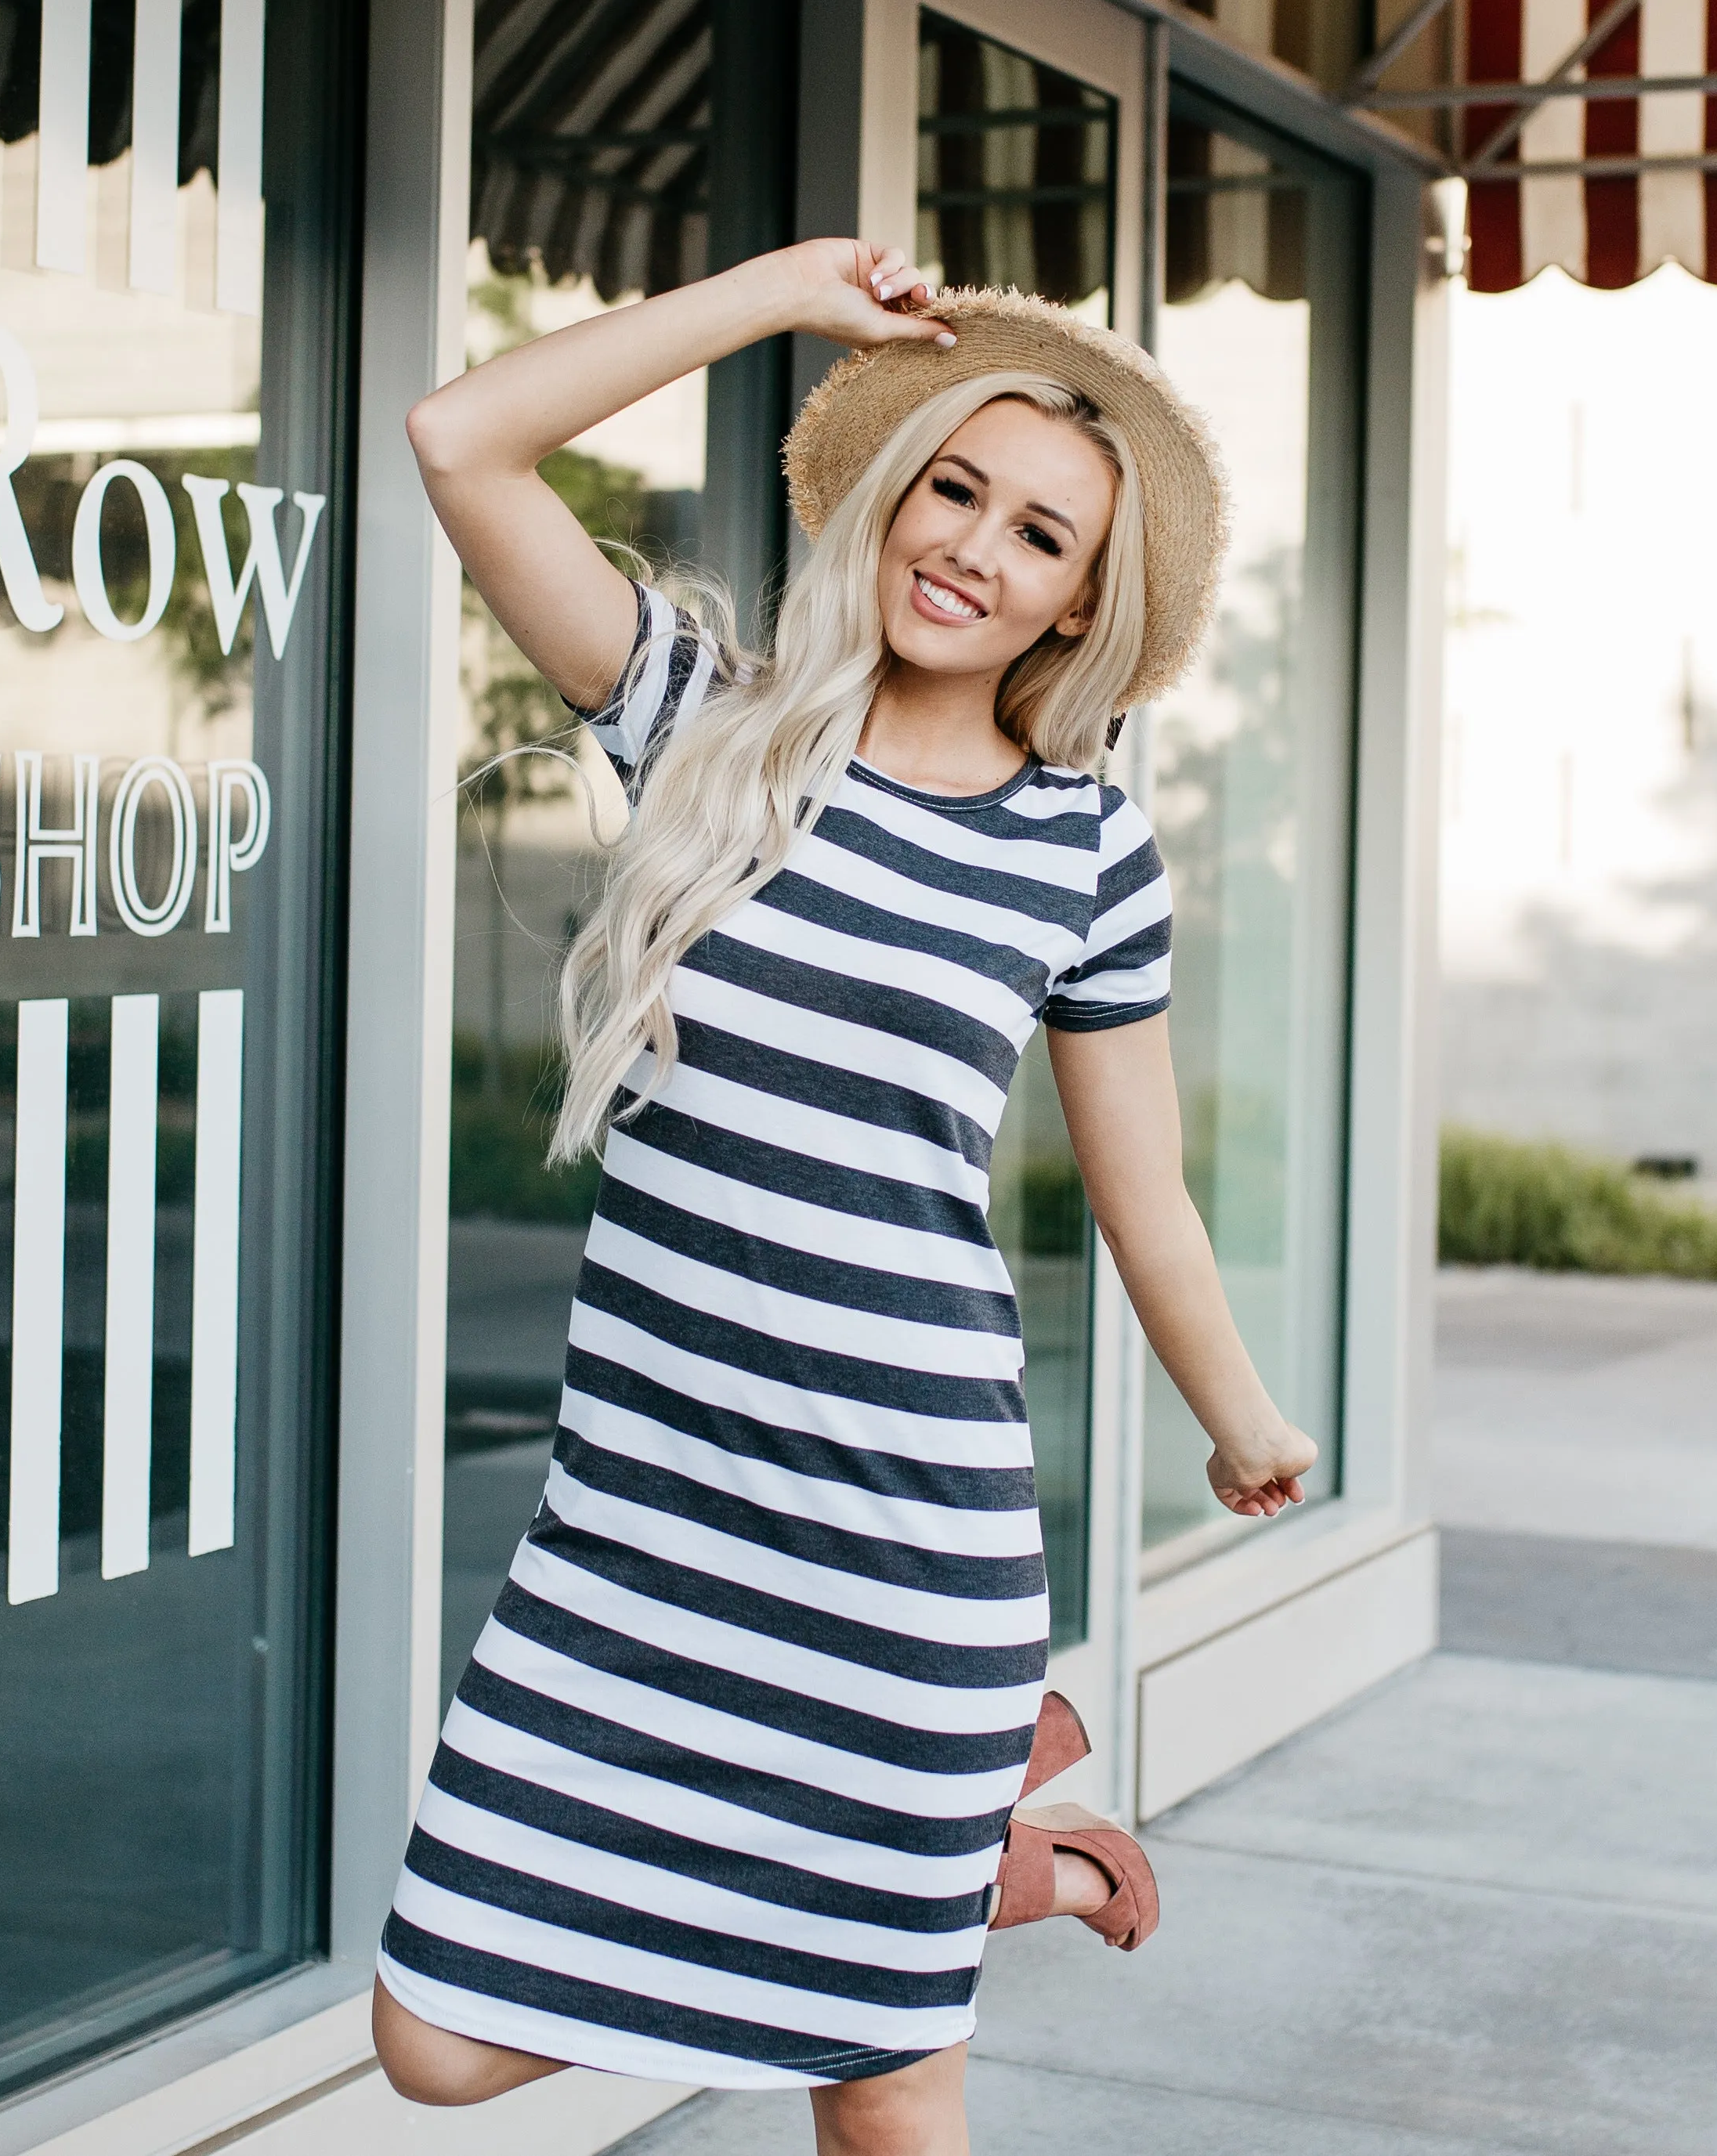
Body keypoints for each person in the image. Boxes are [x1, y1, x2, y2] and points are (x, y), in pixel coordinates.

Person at [373, 236, 1319, 2156]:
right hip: (642, 1506)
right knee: (436, 2040)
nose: (975, 548)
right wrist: (786, 294)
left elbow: (1146, 1200)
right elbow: (461, 438)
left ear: (1079, 604)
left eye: (1041, 535)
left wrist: (1246, 1424)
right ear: (892, 500)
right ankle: (976, 1869)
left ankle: (958, 1873)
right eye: (955, 489)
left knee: (880, 2090)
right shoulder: (701, 723)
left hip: (904, 1521)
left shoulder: (1084, 853)